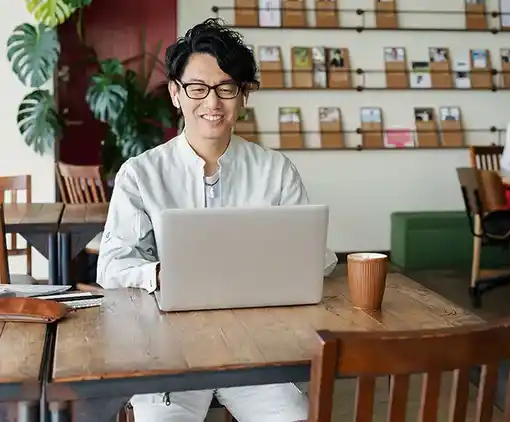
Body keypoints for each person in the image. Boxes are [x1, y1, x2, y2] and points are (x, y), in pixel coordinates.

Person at [96, 18, 337, 422]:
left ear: (243, 96)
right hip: (167, 348)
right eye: (197, 88)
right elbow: (112, 265)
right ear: (176, 93)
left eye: (227, 88)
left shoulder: (275, 171)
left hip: (256, 347)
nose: (212, 103)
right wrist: (159, 275)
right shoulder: (141, 174)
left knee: (294, 416)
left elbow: (320, 257)